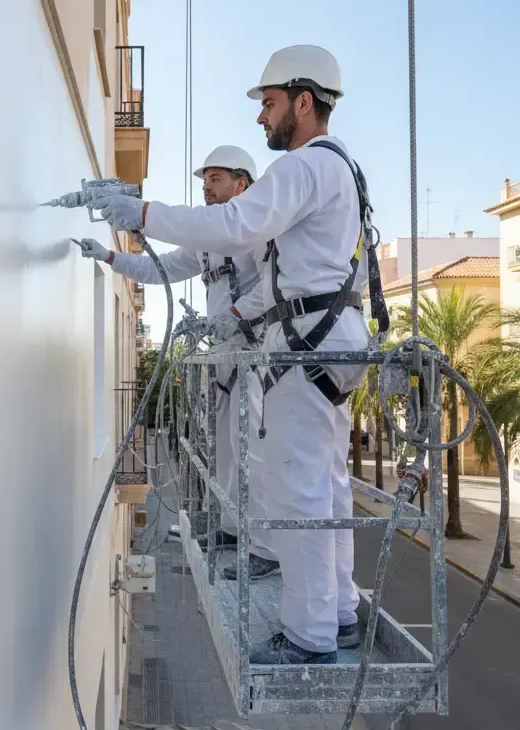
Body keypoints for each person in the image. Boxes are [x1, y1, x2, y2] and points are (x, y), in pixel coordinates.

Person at [94, 45, 388, 665]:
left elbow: (235, 225)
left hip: (307, 340)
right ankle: (336, 612)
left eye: (271, 104)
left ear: (303, 101)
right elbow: (197, 250)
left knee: (301, 483)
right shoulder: (342, 168)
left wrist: (142, 212)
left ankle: (309, 634)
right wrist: (121, 255)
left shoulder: (305, 166)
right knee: (329, 483)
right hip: (331, 338)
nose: (262, 119)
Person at [80, 145, 277, 577]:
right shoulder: (206, 243)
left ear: (242, 183)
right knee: (226, 448)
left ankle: (265, 546)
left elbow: (276, 284)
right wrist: (110, 257)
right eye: (204, 180)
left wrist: (236, 315)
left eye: (216, 179)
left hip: (254, 353)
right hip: (225, 356)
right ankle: (231, 526)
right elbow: (160, 269)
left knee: (253, 450)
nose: (207, 187)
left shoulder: (259, 232)